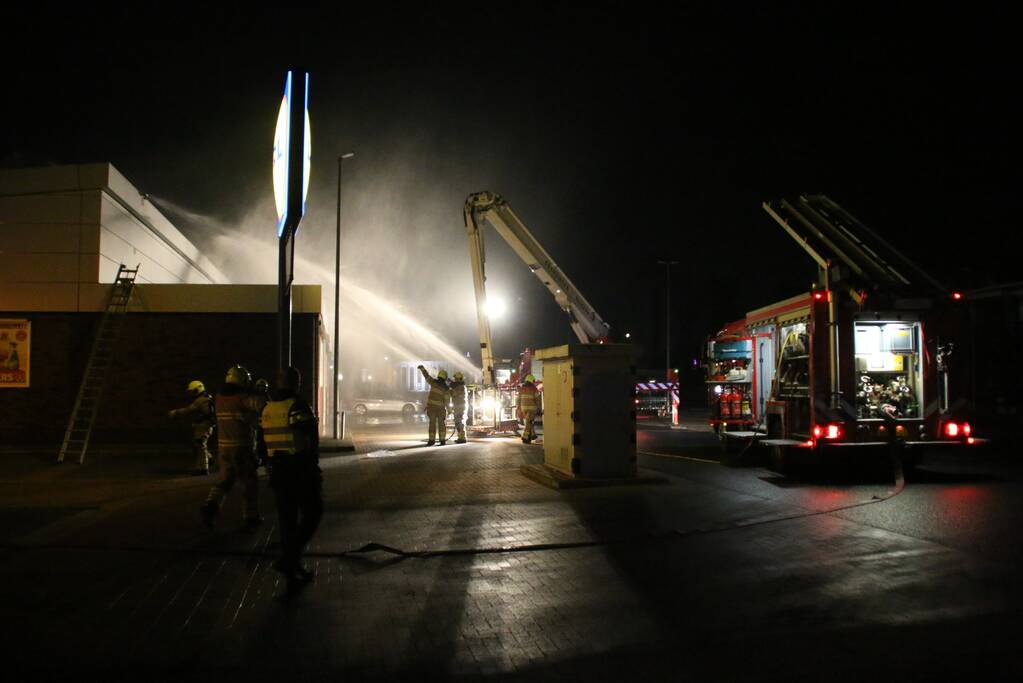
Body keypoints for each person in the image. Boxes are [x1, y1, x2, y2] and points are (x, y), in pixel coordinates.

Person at [261, 366, 322, 597]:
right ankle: (289, 559)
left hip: (278, 471)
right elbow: (310, 438)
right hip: (299, 469)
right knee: (313, 513)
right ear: (296, 382)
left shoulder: (267, 408)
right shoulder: (297, 406)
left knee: (287, 521)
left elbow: (261, 442)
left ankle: (293, 570)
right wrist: (312, 466)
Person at [201, 364, 266, 529]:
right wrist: (260, 392)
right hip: (242, 447)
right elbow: (259, 405)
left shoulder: (219, 398)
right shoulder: (242, 397)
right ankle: (251, 517)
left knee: (224, 482)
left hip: (223, 447)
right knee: (249, 483)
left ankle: (210, 506)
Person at [168, 380, 215, 475]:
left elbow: (188, 410)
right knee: (199, 444)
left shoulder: (200, 400)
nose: (191, 394)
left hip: (203, 425)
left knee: (200, 445)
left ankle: (204, 468)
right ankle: (208, 460)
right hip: (206, 424)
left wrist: (176, 412)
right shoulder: (207, 397)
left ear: (197, 390)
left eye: (193, 391)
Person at [418, 365, 450, 446]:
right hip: (440, 409)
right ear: (445, 378)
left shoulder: (433, 382)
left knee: (432, 424)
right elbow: (447, 401)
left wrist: (422, 369)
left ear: (439, 376)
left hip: (431, 408)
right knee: (441, 424)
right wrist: (449, 410)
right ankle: (442, 440)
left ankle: (431, 440)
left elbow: (427, 376)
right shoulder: (446, 389)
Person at [253, 378, 270, 468]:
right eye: (259, 387)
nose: (261, 389)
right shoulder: (254, 398)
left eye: (262, 387)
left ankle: (263, 459)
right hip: (257, 425)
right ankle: (260, 458)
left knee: (262, 443)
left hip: (263, 425)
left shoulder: (267, 399)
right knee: (258, 443)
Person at [518, 374, 539, 443]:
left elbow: (518, 399)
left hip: (523, 408)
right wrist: (538, 406)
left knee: (529, 421)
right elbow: (537, 399)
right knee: (529, 422)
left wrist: (518, 407)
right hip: (532, 408)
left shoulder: (522, 388)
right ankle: (525, 437)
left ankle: (533, 434)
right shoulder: (534, 388)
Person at [449, 371, 468, 444]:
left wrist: (450, 389)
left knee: (459, 422)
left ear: (458, 378)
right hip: (459, 406)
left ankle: (462, 438)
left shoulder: (461, 387)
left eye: (455, 378)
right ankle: (460, 437)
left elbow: (454, 393)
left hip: (460, 407)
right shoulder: (460, 386)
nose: (455, 380)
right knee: (458, 422)